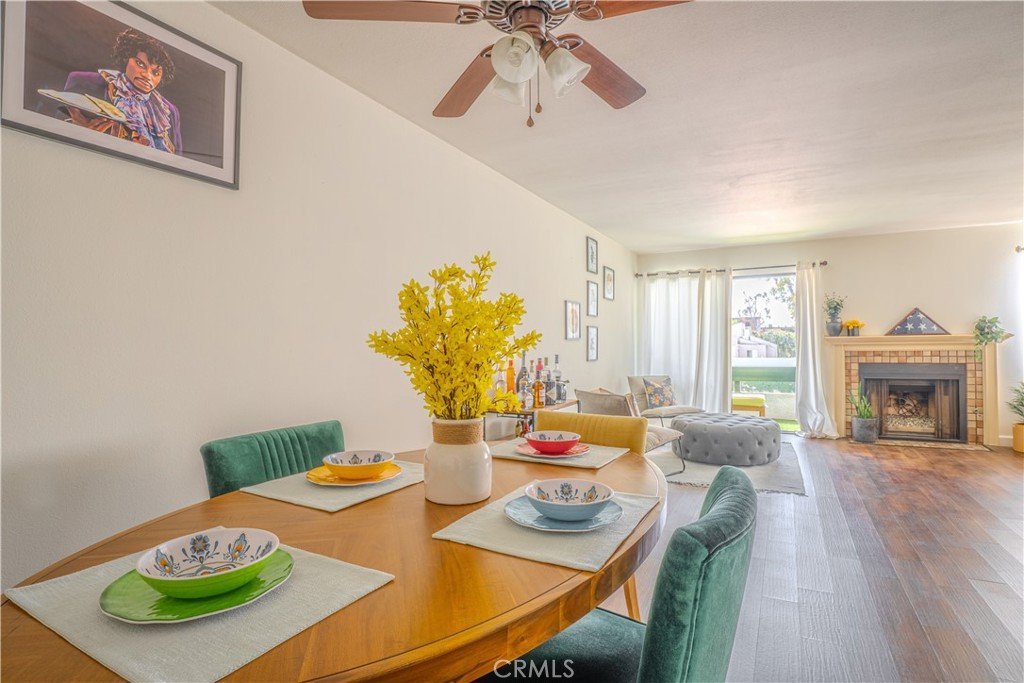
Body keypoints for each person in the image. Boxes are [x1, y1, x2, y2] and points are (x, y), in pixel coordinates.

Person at [63, 28, 182, 155]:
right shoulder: (84, 82)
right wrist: (79, 132)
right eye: (140, 64)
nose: (147, 75)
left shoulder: (169, 111)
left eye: (155, 72)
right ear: (126, 58)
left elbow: (178, 159)